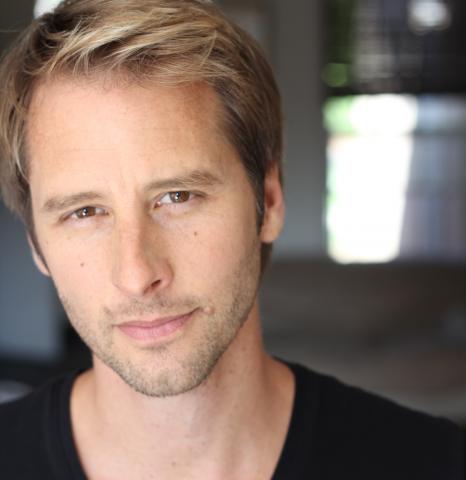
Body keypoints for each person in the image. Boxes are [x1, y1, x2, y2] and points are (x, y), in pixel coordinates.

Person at [0, 1, 463, 478]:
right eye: (84, 212)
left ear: (270, 201)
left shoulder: (434, 463)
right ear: (36, 243)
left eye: (178, 196)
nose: (137, 275)